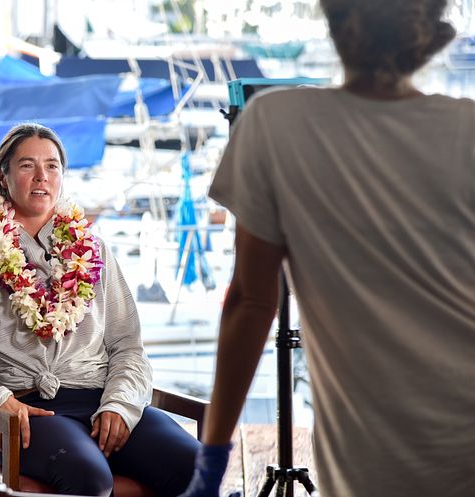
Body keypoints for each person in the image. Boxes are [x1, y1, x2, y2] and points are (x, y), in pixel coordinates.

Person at [179, 1, 475, 496]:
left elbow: (251, 303)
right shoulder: (467, 128)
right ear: (427, 33)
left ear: (335, 24)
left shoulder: (275, 124)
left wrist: (210, 466)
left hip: (376, 456)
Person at [0, 122, 199, 496]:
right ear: (3, 177)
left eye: (52, 166)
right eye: (27, 165)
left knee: (196, 467)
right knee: (90, 477)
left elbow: (128, 347)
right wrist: (0, 399)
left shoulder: (94, 252)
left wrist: (120, 404)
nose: (41, 177)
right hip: (27, 412)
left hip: (101, 397)